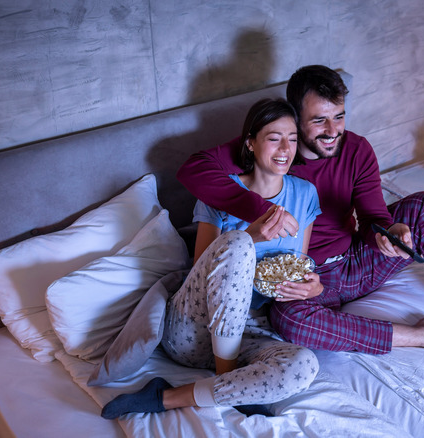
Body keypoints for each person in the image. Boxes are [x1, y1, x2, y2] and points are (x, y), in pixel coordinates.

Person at [176, 65, 424, 372]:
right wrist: (261, 209)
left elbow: (372, 216)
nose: (333, 131)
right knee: (288, 321)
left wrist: (388, 232)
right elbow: (194, 170)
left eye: (339, 116)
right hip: (312, 281)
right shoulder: (272, 149)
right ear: (294, 120)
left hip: (356, 262)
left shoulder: (356, 148)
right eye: (319, 120)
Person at [101, 98, 322, 419]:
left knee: (304, 366)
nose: (285, 148)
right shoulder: (222, 190)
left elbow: (296, 265)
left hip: (253, 330)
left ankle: (169, 396)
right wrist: (252, 236)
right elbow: (204, 265)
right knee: (236, 244)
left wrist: (311, 288)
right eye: (274, 138)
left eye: (292, 138)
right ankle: (229, 378)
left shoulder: (305, 194)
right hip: (194, 329)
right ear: (251, 142)